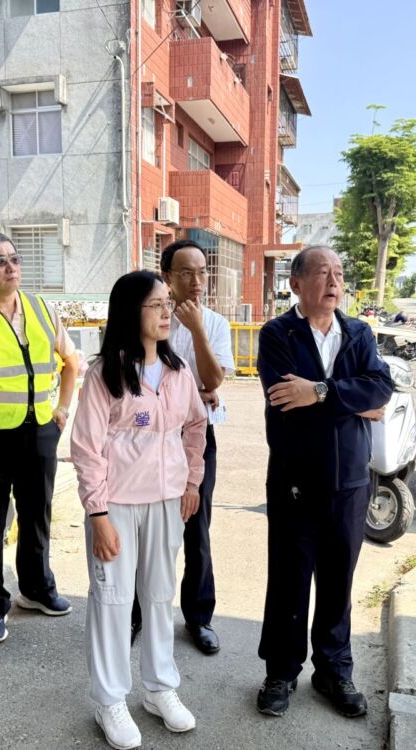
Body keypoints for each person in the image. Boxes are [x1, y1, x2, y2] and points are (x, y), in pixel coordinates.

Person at [255, 246, 394, 719]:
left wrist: (317, 391)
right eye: (322, 273)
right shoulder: (277, 334)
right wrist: (351, 401)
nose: (333, 281)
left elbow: (379, 389)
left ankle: (334, 669)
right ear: (295, 283)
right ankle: (281, 671)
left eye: (339, 272)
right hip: (295, 481)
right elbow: (281, 398)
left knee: (338, 580)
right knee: (290, 579)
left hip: (350, 481)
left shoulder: (359, 332)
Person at [71, 271, 207, 750]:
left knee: (157, 595)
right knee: (111, 602)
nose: (168, 311)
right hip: (118, 507)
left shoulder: (177, 370)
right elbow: (86, 449)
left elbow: (196, 425)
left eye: (168, 303)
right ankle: (110, 699)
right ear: (131, 310)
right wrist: (98, 514)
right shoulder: (105, 373)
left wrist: (192, 481)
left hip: (167, 501)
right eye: (157, 304)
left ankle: (159, 689)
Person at [0, 231, 80, 644]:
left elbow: (71, 362)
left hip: (40, 427)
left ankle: (36, 587)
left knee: (37, 512)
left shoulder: (41, 307)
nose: (11, 267)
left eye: (14, 259)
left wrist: (62, 409)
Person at [129, 239, 234, 655]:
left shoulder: (215, 323)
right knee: (143, 529)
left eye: (202, 272)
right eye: (186, 272)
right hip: (145, 439)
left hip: (195, 439)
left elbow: (212, 383)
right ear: (167, 276)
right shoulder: (147, 316)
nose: (196, 281)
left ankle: (199, 617)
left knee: (196, 528)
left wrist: (195, 331)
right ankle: (135, 614)